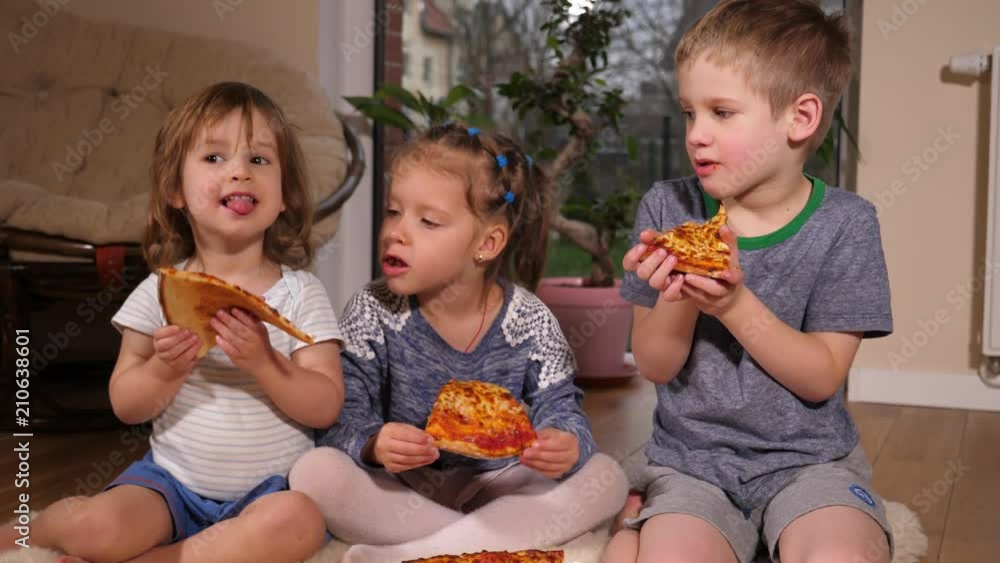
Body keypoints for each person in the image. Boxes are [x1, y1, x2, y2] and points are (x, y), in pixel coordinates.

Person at [0, 82, 344, 563]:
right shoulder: (159, 291)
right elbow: (126, 404)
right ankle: (31, 528)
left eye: (259, 159)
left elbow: (326, 407)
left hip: (272, 490)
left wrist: (266, 363)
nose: (240, 171)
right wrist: (165, 370)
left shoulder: (302, 293)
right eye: (214, 158)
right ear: (175, 191)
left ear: (284, 195)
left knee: (301, 521)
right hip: (170, 487)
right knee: (98, 526)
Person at [604, 2, 894, 562]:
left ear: (800, 118)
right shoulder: (667, 208)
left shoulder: (847, 224)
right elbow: (656, 365)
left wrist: (734, 304)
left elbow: (821, 377)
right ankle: (643, 522)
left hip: (812, 464)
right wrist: (682, 292)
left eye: (721, 112)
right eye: (689, 113)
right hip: (692, 465)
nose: (696, 135)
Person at [289, 122, 628, 563]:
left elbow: (562, 407)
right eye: (393, 212)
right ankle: (478, 541)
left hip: (501, 483)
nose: (397, 232)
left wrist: (564, 443)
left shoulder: (529, 319)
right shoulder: (371, 310)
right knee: (314, 472)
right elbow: (342, 416)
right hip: (404, 488)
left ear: (487, 243)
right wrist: (373, 443)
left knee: (606, 476)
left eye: (428, 221)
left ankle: (418, 552)